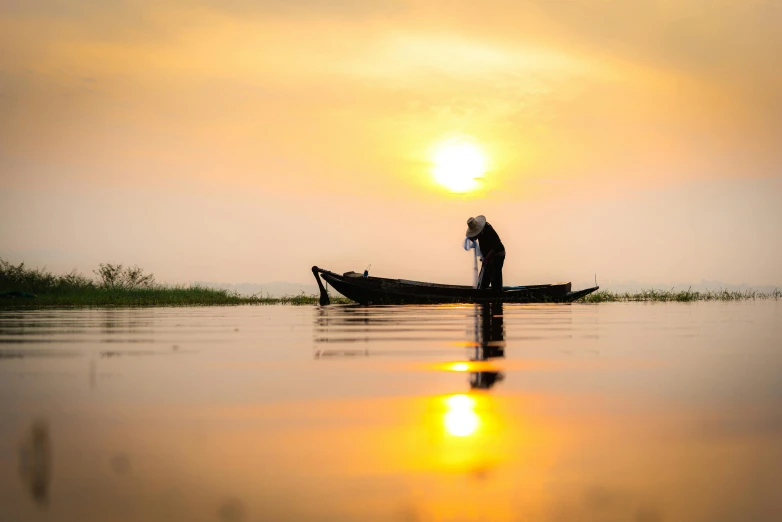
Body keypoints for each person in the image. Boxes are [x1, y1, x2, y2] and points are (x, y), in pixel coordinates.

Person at [466, 215, 505, 290]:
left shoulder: (488, 230)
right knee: (484, 280)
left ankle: (497, 294)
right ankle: (484, 293)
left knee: (495, 277)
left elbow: (495, 247)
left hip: (497, 255)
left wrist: (486, 258)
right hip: (488, 258)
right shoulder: (480, 234)